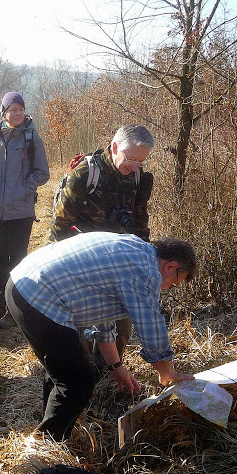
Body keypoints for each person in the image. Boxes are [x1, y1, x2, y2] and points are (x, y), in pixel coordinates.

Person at [5, 232, 198, 440]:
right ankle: (46, 445)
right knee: (78, 382)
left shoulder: (133, 249)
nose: (169, 287)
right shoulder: (145, 271)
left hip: (22, 282)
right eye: (175, 282)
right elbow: (150, 324)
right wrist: (166, 372)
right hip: (38, 296)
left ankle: (51, 431)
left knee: (63, 370)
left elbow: (103, 313)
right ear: (171, 266)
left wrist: (115, 366)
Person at [50, 124, 156, 370]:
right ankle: (81, 377)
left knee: (121, 326)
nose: (134, 167)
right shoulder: (87, 173)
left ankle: (109, 378)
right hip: (81, 261)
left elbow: (140, 224)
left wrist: (146, 263)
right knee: (84, 329)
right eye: (130, 159)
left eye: (140, 162)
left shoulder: (139, 178)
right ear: (115, 147)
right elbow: (60, 225)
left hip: (119, 262)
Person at [0, 91, 50, 329]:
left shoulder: (31, 138)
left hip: (21, 211)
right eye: (12, 110)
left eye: (20, 109)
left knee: (17, 260)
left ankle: (14, 310)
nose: (17, 114)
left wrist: (23, 188)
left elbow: (42, 173)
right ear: (4, 113)